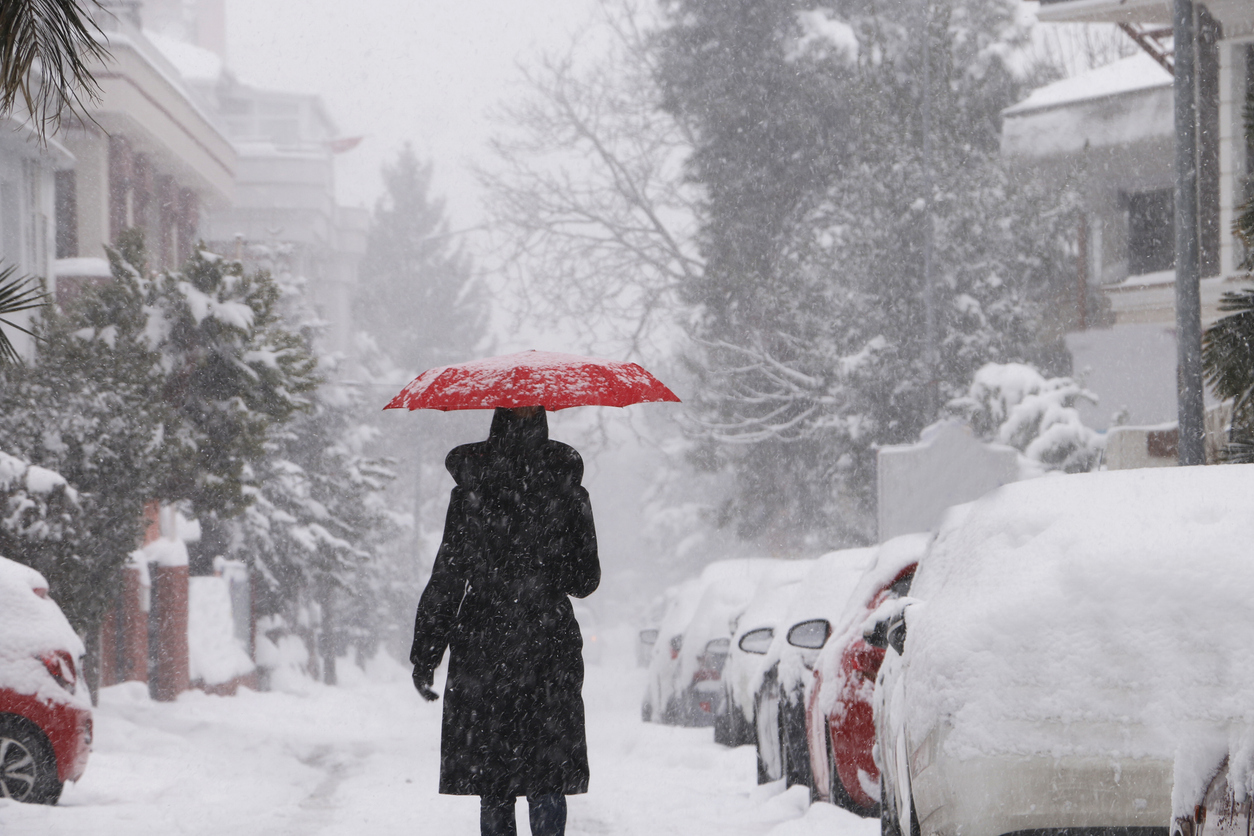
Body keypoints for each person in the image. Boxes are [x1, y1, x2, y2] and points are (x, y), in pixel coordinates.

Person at [410, 406, 600, 836]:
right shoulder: (567, 492)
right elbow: (586, 581)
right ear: (543, 422)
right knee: (547, 775)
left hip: (483, 645)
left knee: (493, 780)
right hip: (547, 644)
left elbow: (448, 578)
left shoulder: (472, 491)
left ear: (496, 422)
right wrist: (549, 560)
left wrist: (426, 655)